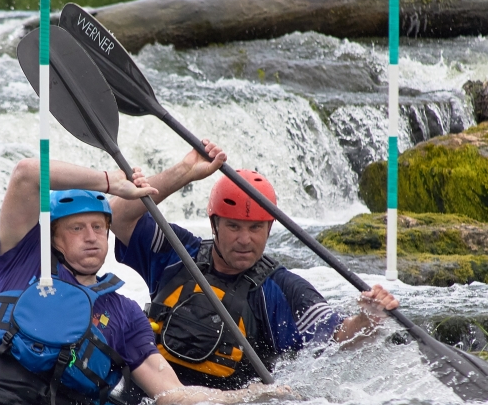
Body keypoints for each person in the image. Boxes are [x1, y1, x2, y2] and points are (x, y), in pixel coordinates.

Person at [0, 156, 295, 405]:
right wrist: (109, 183)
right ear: (53, 238)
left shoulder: (126, 314)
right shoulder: (23, 259)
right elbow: (27, 174)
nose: (91, 236)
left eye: (99, 227)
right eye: (77, 228)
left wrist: (250, 396)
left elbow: (172, 395)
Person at [110, 141, 399, 390]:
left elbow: (337, 338)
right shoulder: (178, 253)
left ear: (270, 229)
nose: (245, 240)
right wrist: (184, 172)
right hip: (150, 403)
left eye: (256, 228)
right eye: (234, 227)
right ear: (214, 224)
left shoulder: (283, 289)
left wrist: (367, 319)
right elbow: (118, 216)